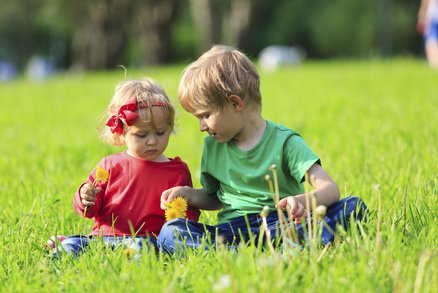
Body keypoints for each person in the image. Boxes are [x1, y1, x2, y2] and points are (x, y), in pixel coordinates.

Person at [157, 45, 367, 254]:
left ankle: (288, 244)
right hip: (232, 231)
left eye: (205, 115)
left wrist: (304, 201)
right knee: (170, 232)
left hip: (283, 224)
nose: (202, 126)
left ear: (235, 103)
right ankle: (245, 254)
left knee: (353, 207)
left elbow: (330, 189)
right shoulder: (213, 147)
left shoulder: (285, 142)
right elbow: (216, 198)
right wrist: (189, 195)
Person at [52, 78, 200, 257]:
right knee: (72, 244)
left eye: (160, 132)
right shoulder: (109, 165)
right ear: (121, 133)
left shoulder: (177, 171)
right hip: (103, 238)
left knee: (140, 249)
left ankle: (131, 264)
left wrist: (181, 224)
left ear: (170, 128)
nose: (152, 141)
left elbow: (188, 214)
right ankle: (58, 255)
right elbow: (89, 210)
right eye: (141, 135)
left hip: (145, 240)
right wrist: (85, 198)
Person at [418, 0, 438, 68]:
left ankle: (435, 68)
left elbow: (426, 2)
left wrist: (421, 17)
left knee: (431, 43)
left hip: (433, 17)